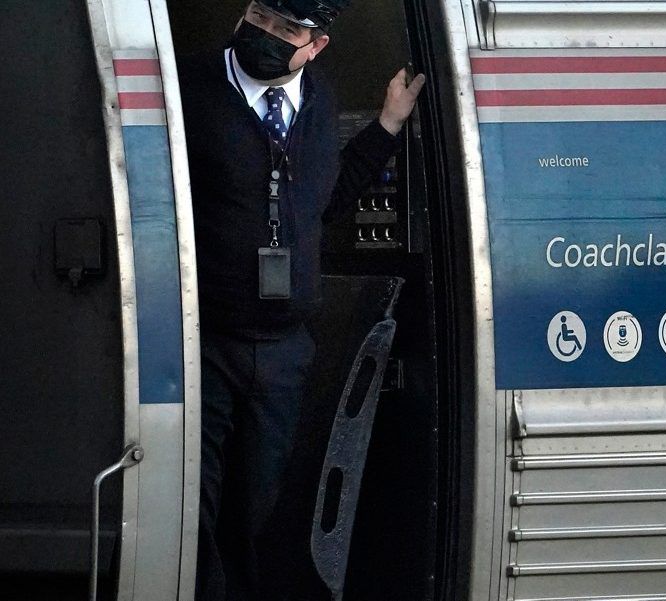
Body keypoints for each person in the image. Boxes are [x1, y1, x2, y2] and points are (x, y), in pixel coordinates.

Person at [177, 1, 425, 599]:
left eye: (286, 28)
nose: (264, 33)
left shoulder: (316, 102)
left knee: (259, 508)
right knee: (193, 508)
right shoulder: (189, 88)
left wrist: (388, 126)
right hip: (204, 341)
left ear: (316, 46)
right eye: (260, 16)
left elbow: (326, 202)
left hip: (284, 350)